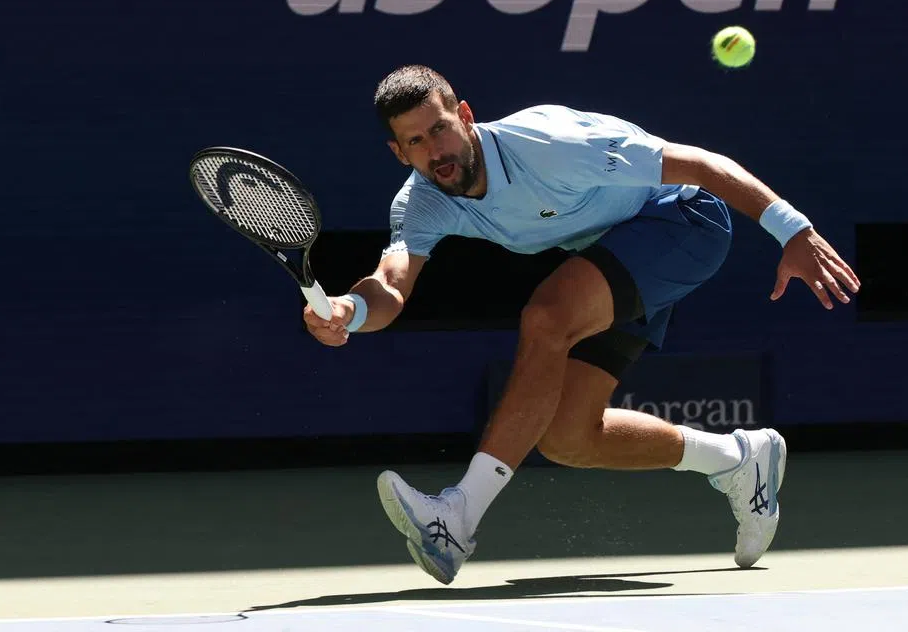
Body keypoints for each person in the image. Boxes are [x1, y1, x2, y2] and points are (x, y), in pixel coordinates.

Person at [302, 64, 860, 585]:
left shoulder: (548, 144)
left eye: (440, 128)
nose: (435, 150)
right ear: (399, 152)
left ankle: (459, 515)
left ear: (465, 116)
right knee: (568, 437)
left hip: (682, 221)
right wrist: (350, 311)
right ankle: (740, 460)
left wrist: (794, 231)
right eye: (416, 142)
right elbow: (391, 285)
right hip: (613, 250)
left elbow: (700, 164)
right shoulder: (422, 202)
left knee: (547, 317)